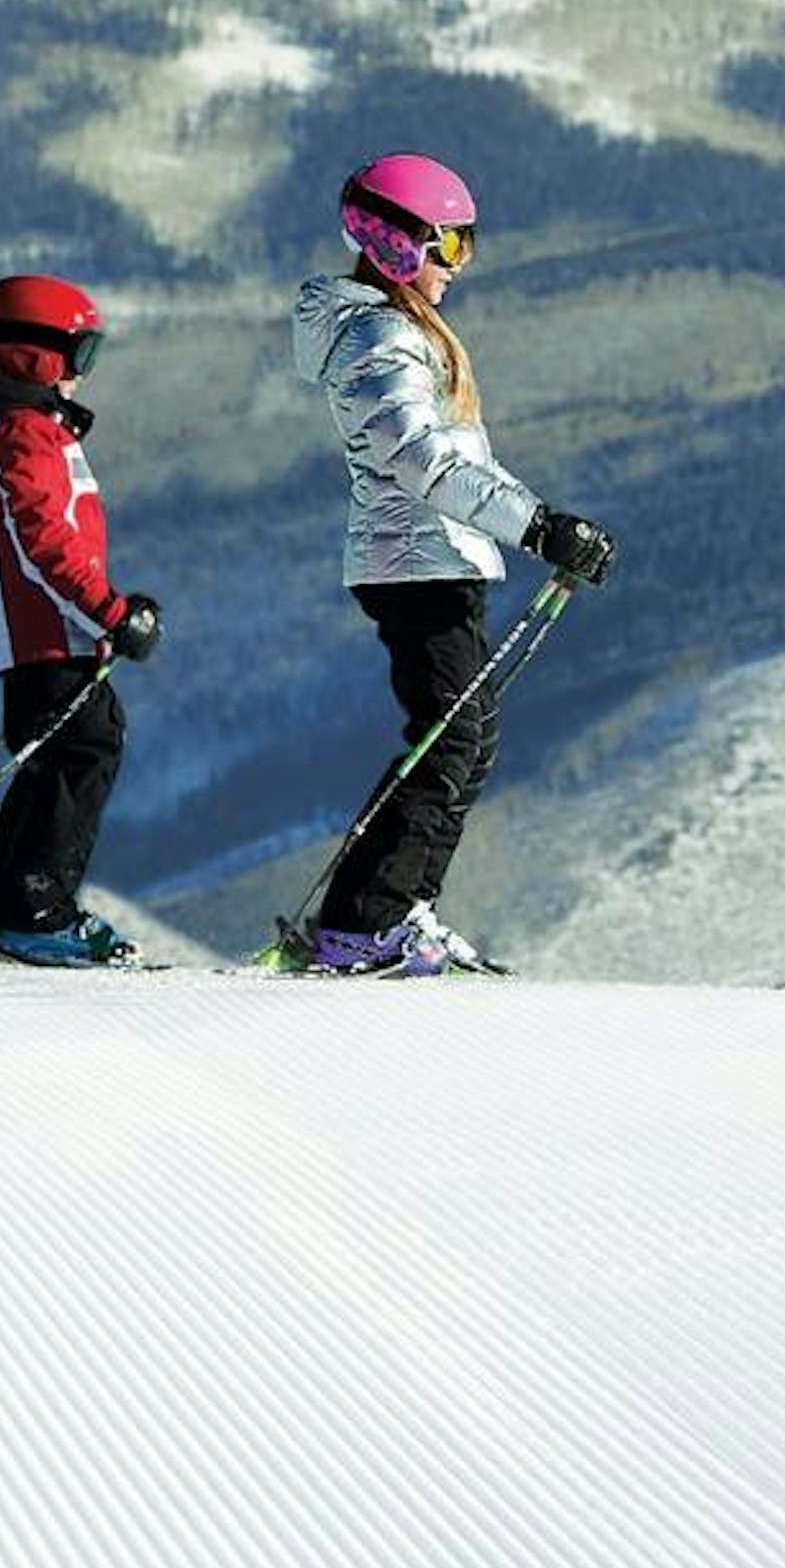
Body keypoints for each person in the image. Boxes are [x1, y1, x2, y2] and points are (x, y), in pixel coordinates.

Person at [284, 153, 617, 976]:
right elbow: (418, 457)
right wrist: (536, 528)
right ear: (396, 244)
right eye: (448, 247)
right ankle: (364, 922)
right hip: (413, 561)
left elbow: (461, 457)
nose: (456, 268)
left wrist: (543, 523)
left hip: (438, 556)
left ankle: (399, 911)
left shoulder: (402, 331)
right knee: (448, 736)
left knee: (467, 738)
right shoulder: (379, 335)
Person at [0, 273, 160, 967]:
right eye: (80, 352)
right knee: (83, 749)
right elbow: (43, 539)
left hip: (43, 631)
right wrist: (109, 610)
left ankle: (12, 906)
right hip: (44, 632)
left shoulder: (9, 424)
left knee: (55, 756)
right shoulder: (22, 431)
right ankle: (36, 912)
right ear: (34, 352)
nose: (82, 372)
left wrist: (103, 612)